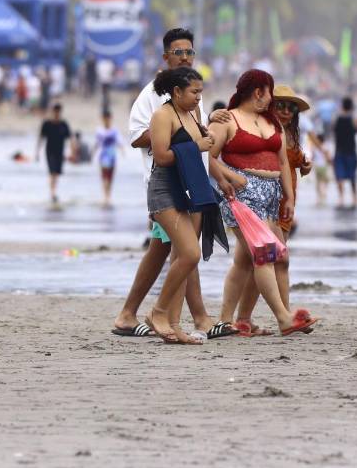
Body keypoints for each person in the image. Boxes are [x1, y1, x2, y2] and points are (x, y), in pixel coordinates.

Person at [112, 28, 227, 338]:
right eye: (179, 52)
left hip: (193, 183)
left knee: (169, 250)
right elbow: (139, 136)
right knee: (182, 251)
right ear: (165, 56)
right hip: (168, 185)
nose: (185, 57)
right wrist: (179, 137)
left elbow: (197, 139)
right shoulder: (154, 96)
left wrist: (217, 170)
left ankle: (150, 317)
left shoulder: (190, 94)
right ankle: (187, 317)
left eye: (189, 52)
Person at [209, 69, 318, 337]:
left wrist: (289, 198)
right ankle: (284, 318)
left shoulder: (271, 123)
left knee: (252, 260)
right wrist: (229, 178)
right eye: (270, 93)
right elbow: (204, 156)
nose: (273, 101)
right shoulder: (227, 118)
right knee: (265, 255)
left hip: (272, 196)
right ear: (259, 92)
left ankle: (228, 321)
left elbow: (282, 162)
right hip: (242, 194)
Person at [142, 67, 220, 344]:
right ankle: (158, 312)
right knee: (189, 253)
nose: (199, 97)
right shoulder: (162, 115)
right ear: (176, 92)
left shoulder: (190, 114)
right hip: (164, 191)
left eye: (201, 92)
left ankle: (173, 326)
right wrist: (197, 146)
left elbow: (198, 142)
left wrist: (206, 137)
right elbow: (161, 155)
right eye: (194, 92)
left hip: (185, 191)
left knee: (182, 258)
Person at [234, 85, 312, 335]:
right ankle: (282, 317)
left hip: (283, 205)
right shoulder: (262, 130)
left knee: (259, 262)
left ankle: (245, 319)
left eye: (291, 108)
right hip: (265, 203)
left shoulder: (288, 134)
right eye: (281, 105)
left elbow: (293, 162)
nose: (286, 111)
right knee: (272, 260)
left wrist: (305, 165)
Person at [37, 103, 71, 204]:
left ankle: (53, 192)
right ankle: (52, 193)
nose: (56, 113)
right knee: (52, 172)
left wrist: (72, 152)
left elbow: (70, 138)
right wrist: (37, 152)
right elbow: (41, 138)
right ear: (52, 111)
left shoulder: (64, 124)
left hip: (60, 152)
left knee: (56, 173)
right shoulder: (47, 124)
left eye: (58, 111)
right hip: (50, 151)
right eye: (55, 111)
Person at [332, 97, 357, 208]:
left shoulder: (337, 117)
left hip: (339, 150)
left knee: (339, 176)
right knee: (352, 175)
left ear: (342, 105)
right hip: (351, 151)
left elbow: (332, 130)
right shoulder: (354, 118)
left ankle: (341, 198)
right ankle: (354, 198)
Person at [93, 110, 122, 208]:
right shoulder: (99, 130)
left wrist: (123, 150)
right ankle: (106, 196)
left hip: (112, 156)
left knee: (110, 177)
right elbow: (97, 143)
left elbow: (119, 141)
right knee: (104, 176)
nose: (106, 120)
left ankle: (108, 196)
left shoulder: (114, 130)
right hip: (103, 156)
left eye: (108, 118)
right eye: (105, 118)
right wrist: (92, 153)